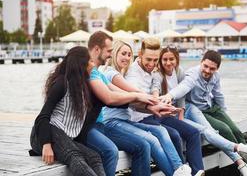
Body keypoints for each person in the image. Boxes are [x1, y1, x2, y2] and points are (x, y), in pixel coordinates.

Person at [160, 50, 247, 176]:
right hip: (196, 109)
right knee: (223, 129)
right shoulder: (191, 74)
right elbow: (184, 87)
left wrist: (224, 113)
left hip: (210, 107)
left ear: (217, 68)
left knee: (235, 130)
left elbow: (218, 94)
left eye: (212, 68)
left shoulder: (208, 75)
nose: (207, 70)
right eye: (205, 66)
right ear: (201, 62)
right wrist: (169, 96)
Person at [98, 40, 192, 176]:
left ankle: (179, 170)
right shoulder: (112, 74)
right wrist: (159, 103)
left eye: (129, 54)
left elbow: (132, 101)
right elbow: (136, 94)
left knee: (158, 133)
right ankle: (178, 172)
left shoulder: (121, 74)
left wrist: (156, 108)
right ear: (114, 53)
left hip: (123, 121)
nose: (127, 57)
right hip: (111, 123)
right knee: (150, 141)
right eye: (123, 53)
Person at [124, 38, 205, 176]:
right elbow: (134, 101)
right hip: (140, 117)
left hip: (156, 113)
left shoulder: (154, 68)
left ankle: (195, 171)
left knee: (193, 132)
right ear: (140, 54)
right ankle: (180, 171)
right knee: (173, 134)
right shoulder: (132, 74)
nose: (152, 64)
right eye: (148, 59)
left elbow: (158, 86)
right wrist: (158, 105)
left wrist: (169, 107)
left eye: (155, 60)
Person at [29, 46, 105, 176]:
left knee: (94, 157)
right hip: (44, 134)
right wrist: (46, 144)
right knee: (74, 156)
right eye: (91, 61)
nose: (93, 64)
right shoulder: (62, 83)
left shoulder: (83, 86)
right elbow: (43, 116)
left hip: (64, 137)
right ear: (82, 64)